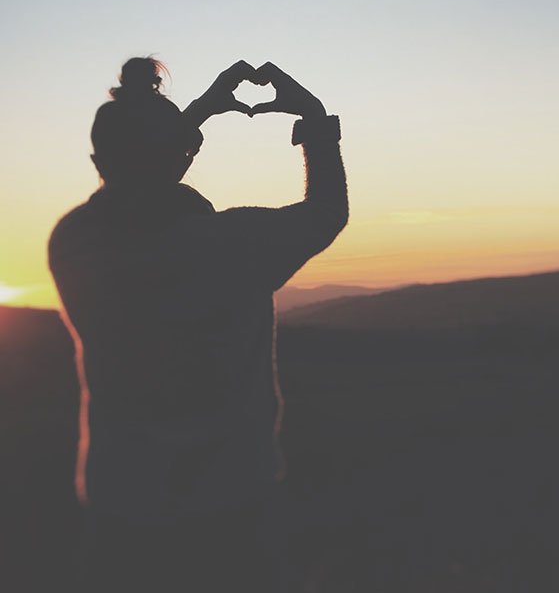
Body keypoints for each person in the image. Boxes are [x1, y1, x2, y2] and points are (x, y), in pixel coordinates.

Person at [48, 56, 348, 591]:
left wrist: (196, 116)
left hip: (120, 509)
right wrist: (313, 117)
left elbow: (143, 179)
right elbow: (327, 211)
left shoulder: (74, 242)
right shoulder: (236, 245)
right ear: (180, 155)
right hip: (233, 506)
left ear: (98, 158)